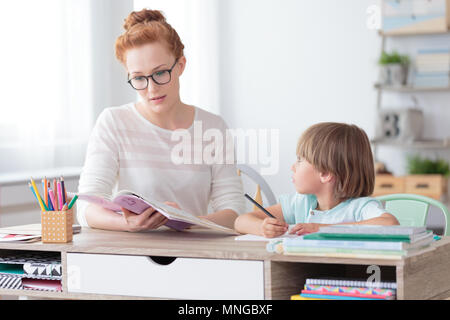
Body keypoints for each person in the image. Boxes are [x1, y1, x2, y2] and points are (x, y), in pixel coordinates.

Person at [76, 9, 245, 232]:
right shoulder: (114, 122)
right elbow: (87, 207)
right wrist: (128, 224)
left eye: (160, 73)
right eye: (139, 78)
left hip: (194, 252)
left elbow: (234, 211)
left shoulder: (213, 127)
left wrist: (186, 221)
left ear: (181, 65)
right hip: (131, 253)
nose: (152, 88)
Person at [234, 122, 399, 238]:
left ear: (326, 173)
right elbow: (240, 221)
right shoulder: (301, 203)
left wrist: (321, 229)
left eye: (300, 160)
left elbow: (390, 224)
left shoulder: (360, 207)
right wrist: (262, 228)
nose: (293, 167)